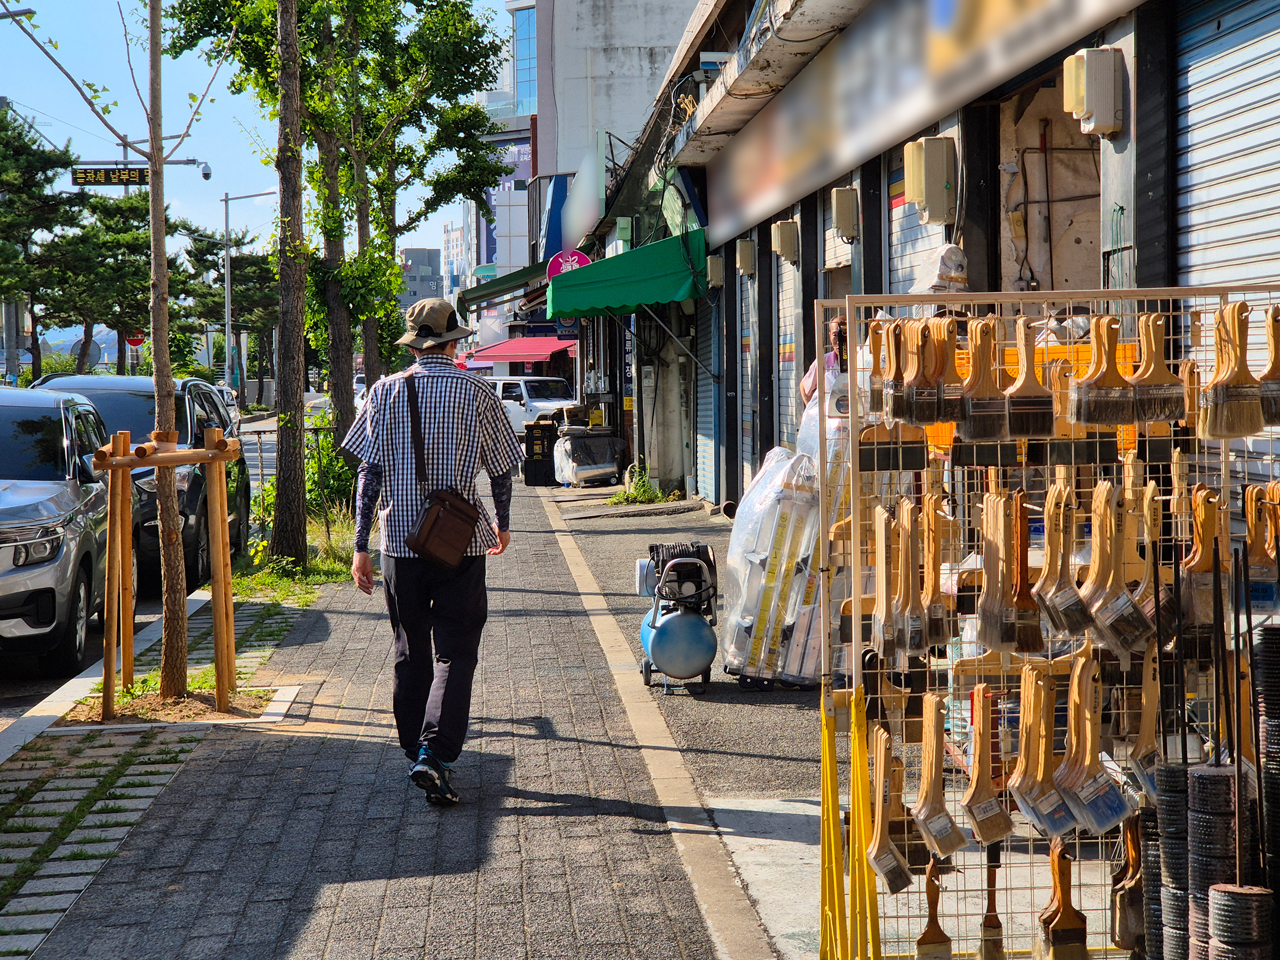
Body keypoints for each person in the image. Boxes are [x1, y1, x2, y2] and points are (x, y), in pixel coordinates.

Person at [342, 299, 523, 806]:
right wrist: (502, 525)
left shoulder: (384, 391)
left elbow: (368, 474)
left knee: (409, 648)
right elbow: (502, 470)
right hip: (460, 542)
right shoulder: (477, 391)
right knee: (457, 649)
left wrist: (360, 547)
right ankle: (435, 754)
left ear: (414, 344)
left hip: (399, 543)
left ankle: (414, 749)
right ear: (454, 342)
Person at [799, 316, 846, 405]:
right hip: (830, 417)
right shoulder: (823, 361)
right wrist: (813, 413)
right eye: (835, 335)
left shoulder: (861, 359)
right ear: (829, 336)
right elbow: (804, 387)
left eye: (844, 335)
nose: (839, 341)